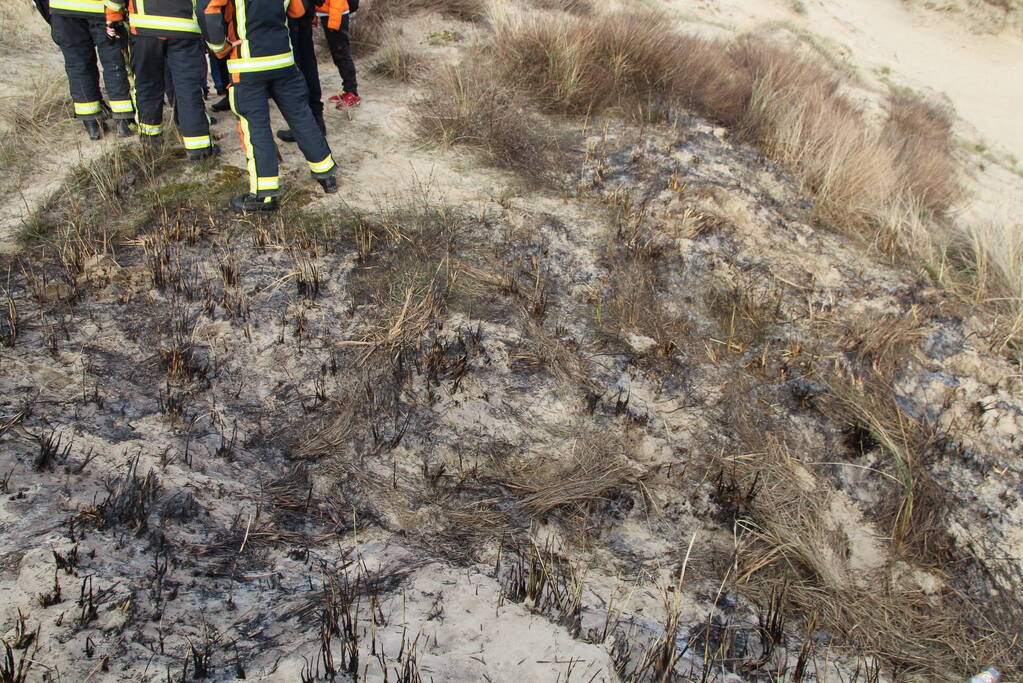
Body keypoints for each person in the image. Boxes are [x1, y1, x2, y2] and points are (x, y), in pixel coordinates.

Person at [197, 0, 338, 213]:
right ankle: (326, 176)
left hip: (248, 66)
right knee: (301, 117)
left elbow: (209, 9)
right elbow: (298, 10)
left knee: (256, 128)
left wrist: (220, 48)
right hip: (283, 61)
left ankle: (264, 195)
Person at [105, 0, 220, 160]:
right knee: (188, 88)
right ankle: (199, 150)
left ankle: (151, 144)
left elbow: (115, 2)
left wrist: (113, 16)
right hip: (184, 28)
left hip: (145, 30)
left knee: (148, 87)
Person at [35, 0, 135, 140]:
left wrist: (53, 15)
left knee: (77, 66)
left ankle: (92, 125)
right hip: (103, 9)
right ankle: (123, 122)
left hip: (63, 11)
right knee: (113, 63)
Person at [275, 10, 326, 143]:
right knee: (308, 61)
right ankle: (316, 121)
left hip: (289, 16)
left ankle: (307, 126)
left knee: (296, 66)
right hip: (304, 11)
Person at [316, 0, 360, 108]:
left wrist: (334, 22)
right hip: (328, 14)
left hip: (336, 15)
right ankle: (347, 90)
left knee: (342, 55)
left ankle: (352, 93)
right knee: (338, 55)